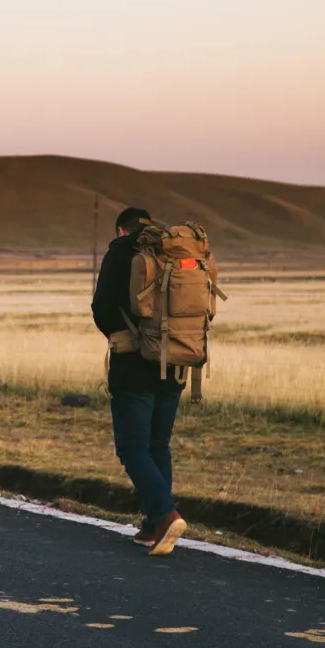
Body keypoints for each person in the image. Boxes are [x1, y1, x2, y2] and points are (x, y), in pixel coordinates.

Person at [91, 207, 188, 556]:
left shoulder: (120, 253)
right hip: (175, 362)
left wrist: (119, 337)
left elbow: (101, 307)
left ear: (121, 230)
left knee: (132, 448)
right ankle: (152, 526)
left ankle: (165, 514)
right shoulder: (173, 250)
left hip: (133, 365)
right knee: (157, 445)